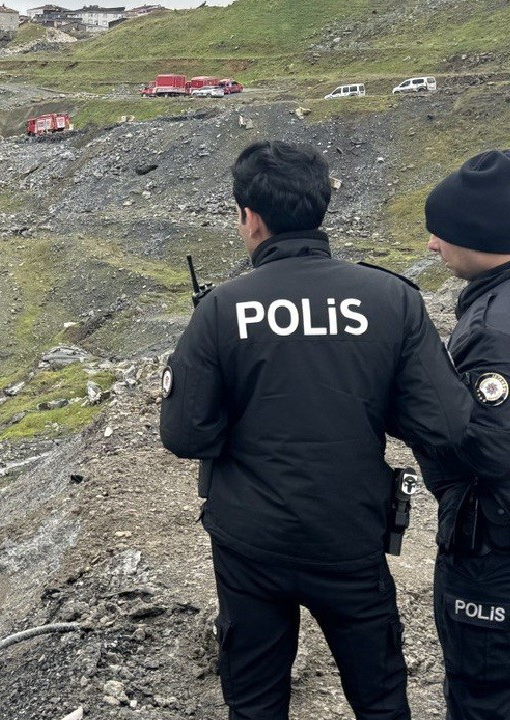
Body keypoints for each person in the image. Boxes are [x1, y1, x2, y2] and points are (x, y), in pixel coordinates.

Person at [160, 140, 474, 720]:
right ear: (322, 206)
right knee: (380, 698)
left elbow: (184, 436)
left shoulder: (222, 309)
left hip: (250, 542)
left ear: (251, 218)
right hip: (349, 535)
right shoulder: (391, 298)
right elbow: (448, 423)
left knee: (254, 701)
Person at [413, 149, 510, 720]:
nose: (432, 244)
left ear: (480, 234)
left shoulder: (494, 331)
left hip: (491, 551)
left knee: (483, 694)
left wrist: (417, 408)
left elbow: (489, 447)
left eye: (442, 232)